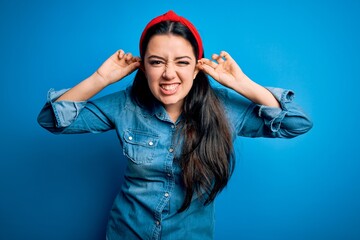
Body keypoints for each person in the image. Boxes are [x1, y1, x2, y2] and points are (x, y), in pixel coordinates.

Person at [37, 10, 312, 240]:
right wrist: (100, 78)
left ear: (196, 67)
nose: (169, 74)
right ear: (143, 67)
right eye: (156, 62)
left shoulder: (223, 107)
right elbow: (50, 119)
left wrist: (243, 85)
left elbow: (296, 123)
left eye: (182, 62)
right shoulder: (125, 105)